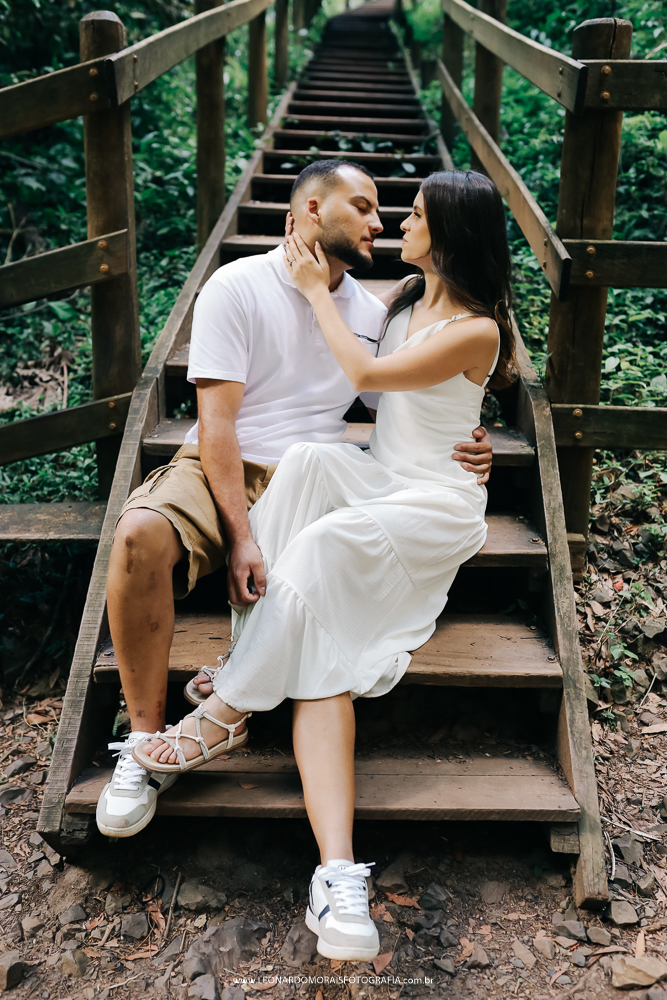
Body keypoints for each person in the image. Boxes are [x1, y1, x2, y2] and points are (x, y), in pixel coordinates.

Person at [133, 170, 517, 962]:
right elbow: (392, 406)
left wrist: (312, 291)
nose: (395, 226)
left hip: (433, 501)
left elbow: (370, 378)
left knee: (317, 547)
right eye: (389, 212)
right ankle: (249, 653)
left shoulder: (480, 327)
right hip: (379, 469)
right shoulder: (407, 300)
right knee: (308, 457)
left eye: (409, 215)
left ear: (448, 231)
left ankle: (225, 711)